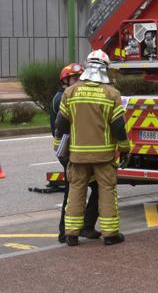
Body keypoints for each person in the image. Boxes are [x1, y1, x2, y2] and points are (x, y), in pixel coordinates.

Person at [54, 50, 129, 246]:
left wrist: (59, 150)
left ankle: (71, 235)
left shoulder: (70, 92)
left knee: (76, 193)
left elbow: (61, 125)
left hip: (77, 156)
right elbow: (119, 126)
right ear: (105, 68)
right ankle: (110, 235)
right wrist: (125, 148)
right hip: (104, 156)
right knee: (106, 191)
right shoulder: (112, 93)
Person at [50, 63, 100, 244]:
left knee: (82, 189)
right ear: (65, 81)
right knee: (75, 190)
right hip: (69, 151)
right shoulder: (63, 98)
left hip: (74, 150)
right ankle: (72, 230)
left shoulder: (67, 95)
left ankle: (74, 230)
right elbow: (63, 128)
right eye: (75, 79)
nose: (79, 81)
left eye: (81, 78)